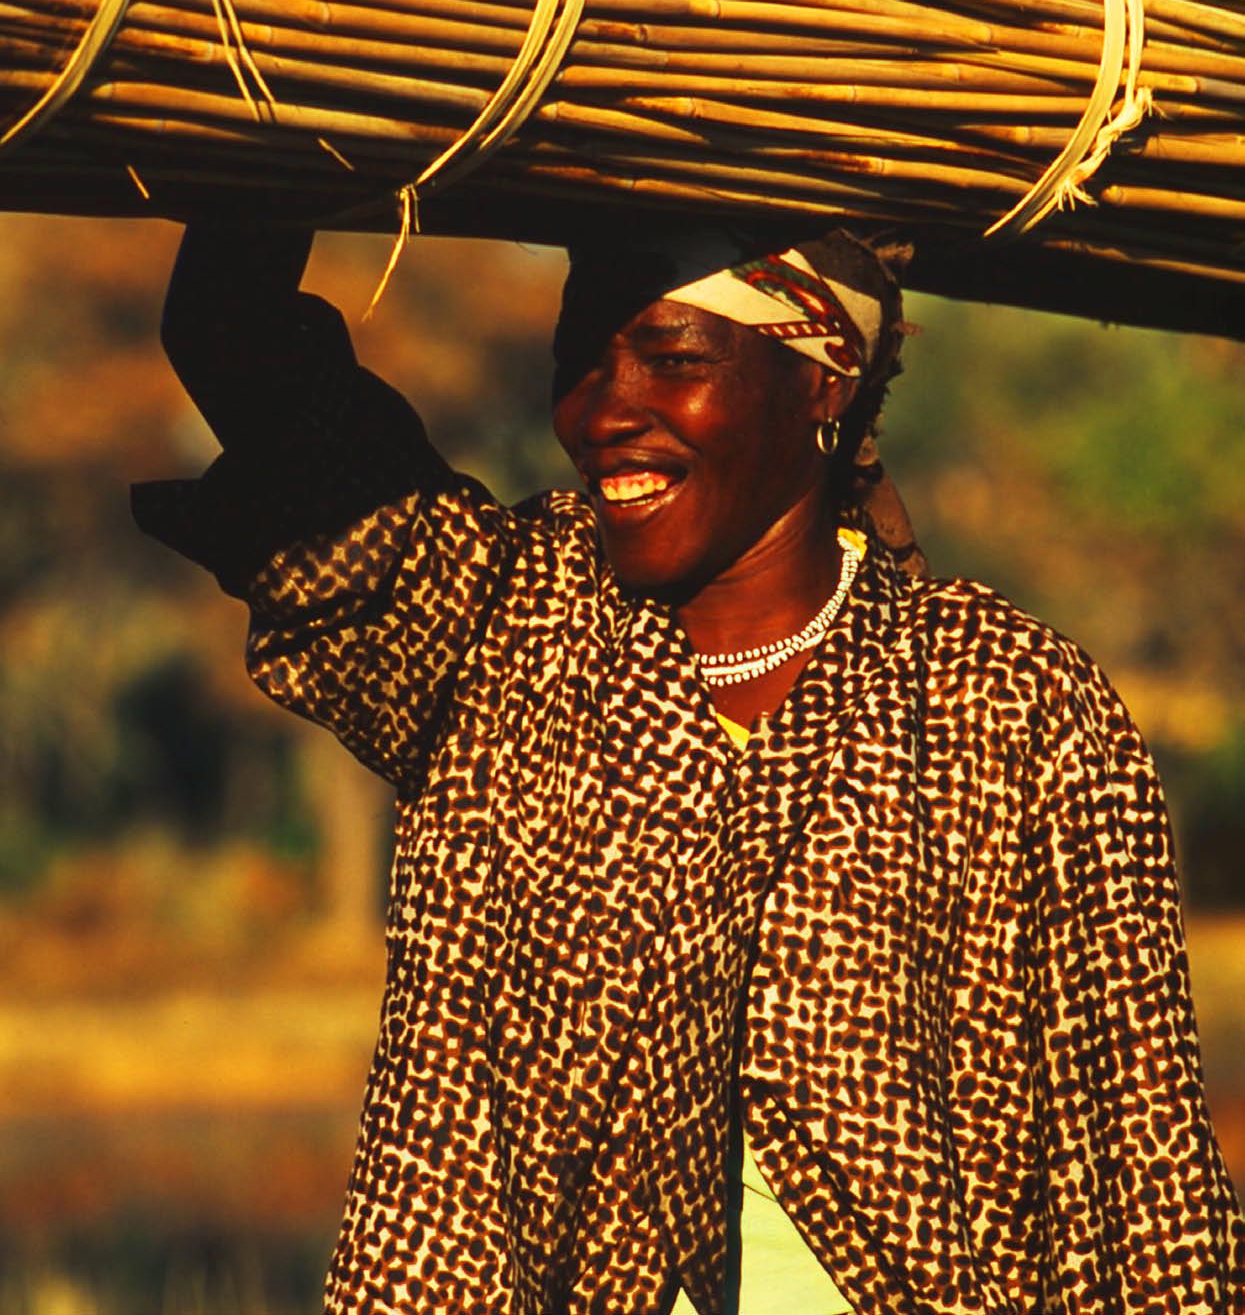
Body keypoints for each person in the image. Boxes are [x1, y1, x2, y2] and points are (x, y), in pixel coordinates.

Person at [135, 220, 1244, 1315]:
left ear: (824, 382)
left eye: (673, 359)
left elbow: (1147, 1167)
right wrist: (337, 74)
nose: (606, 412)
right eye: (580, 360)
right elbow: (230, 335)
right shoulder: (504, 621)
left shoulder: (1001, 702)